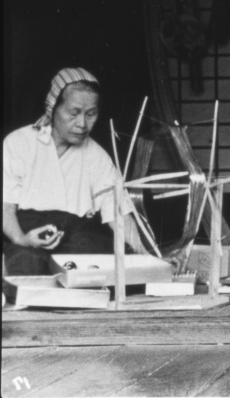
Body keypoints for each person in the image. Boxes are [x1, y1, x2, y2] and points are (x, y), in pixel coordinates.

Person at [3, 67, 147, 276]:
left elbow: (119, 215)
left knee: (107, 263)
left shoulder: (97, 156)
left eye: (91, 114)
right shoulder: (19, 143)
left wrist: (145, 253)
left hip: (77, 237)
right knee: (25, 264)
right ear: (53, 108)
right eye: (73, 113)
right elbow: (5, 207)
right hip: (27, 232)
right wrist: (22, 239)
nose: (82, 124)